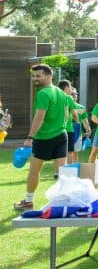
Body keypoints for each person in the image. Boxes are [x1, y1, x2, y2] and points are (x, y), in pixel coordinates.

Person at [14, 65, 70, 211]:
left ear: (48, 76)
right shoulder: (61, 93)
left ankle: (28, 201)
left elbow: (39, 117)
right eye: (34, 76)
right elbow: (66, 113)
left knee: (34, 170)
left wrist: (30, 137)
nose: (35, 79)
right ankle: (64, 200)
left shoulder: (43, 94)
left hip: (44, 138)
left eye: (38, 76)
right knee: (62, 172)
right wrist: (61, 126)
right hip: (61, 136)